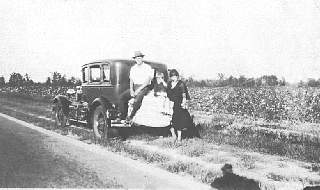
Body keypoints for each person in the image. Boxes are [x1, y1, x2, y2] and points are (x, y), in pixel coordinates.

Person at [119, 51, 154, 123]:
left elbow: (147, 82)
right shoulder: (133, 68)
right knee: (122, 97)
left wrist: (138, 91)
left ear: (142, 58)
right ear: (135, 59)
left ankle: (130, 117)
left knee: (137, 100)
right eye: (137, 58)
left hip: (144, 87)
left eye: (140, 58)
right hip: (135, 86)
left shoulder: (147, 67)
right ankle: (123, 117)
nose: (138, 60)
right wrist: (131, 90)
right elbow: (131, 80)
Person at [167, 69, 197, 142]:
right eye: (173, 76)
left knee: (179, 122)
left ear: (178, 76)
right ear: (171, 77)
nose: (175, 78)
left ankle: (179, 138)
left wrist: (183, 103)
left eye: (176, 76)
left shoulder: (181, 84)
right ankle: (174, 135)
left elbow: (184, 94)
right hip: (171, 103)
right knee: (171, 121)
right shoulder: (169, 83)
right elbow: (168, 93)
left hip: (179, 104)